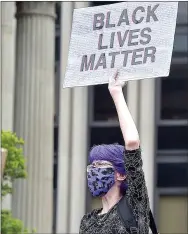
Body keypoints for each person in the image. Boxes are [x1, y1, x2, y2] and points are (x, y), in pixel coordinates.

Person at [79, 71, 159, 234]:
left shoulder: (135, 204)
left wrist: (116, 92)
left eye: (100, 164)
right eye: (92, 165)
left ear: (121, 174)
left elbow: (132, 142)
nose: (94, 170)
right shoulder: (88, 222)